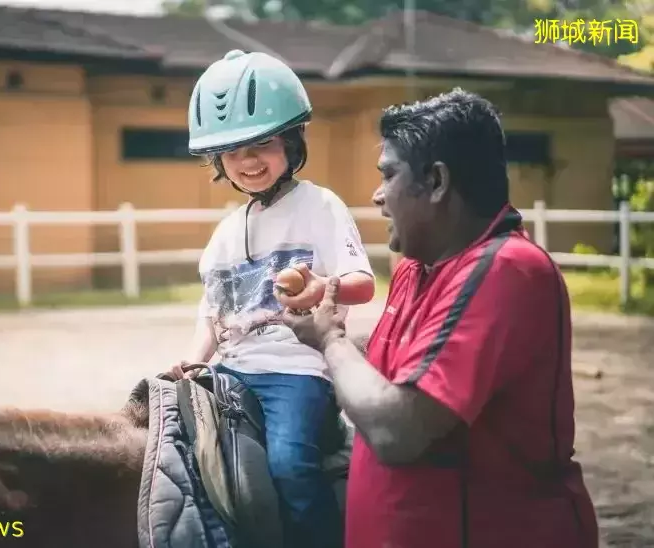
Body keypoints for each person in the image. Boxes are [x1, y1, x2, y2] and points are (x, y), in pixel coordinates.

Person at [279, 88, 600, 548]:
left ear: (436, 181)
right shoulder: (419, 264)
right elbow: (392, 367)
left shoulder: (505, 271)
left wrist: (329, 340)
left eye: (387, 175)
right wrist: (329, 322)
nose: (376, 196)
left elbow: (398, 431)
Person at [174, 49, 376, 548]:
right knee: (180, 458)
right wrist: (190, 361)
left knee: (289, 465)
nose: (248, 161)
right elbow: (212, 310)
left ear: (291, 140)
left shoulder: (319, 206)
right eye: (234, 151)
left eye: (263, 144)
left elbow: (362, 283)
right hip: (232, 369)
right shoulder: (224, 232)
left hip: (296, 369)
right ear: (217, 160)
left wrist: (318, 290)